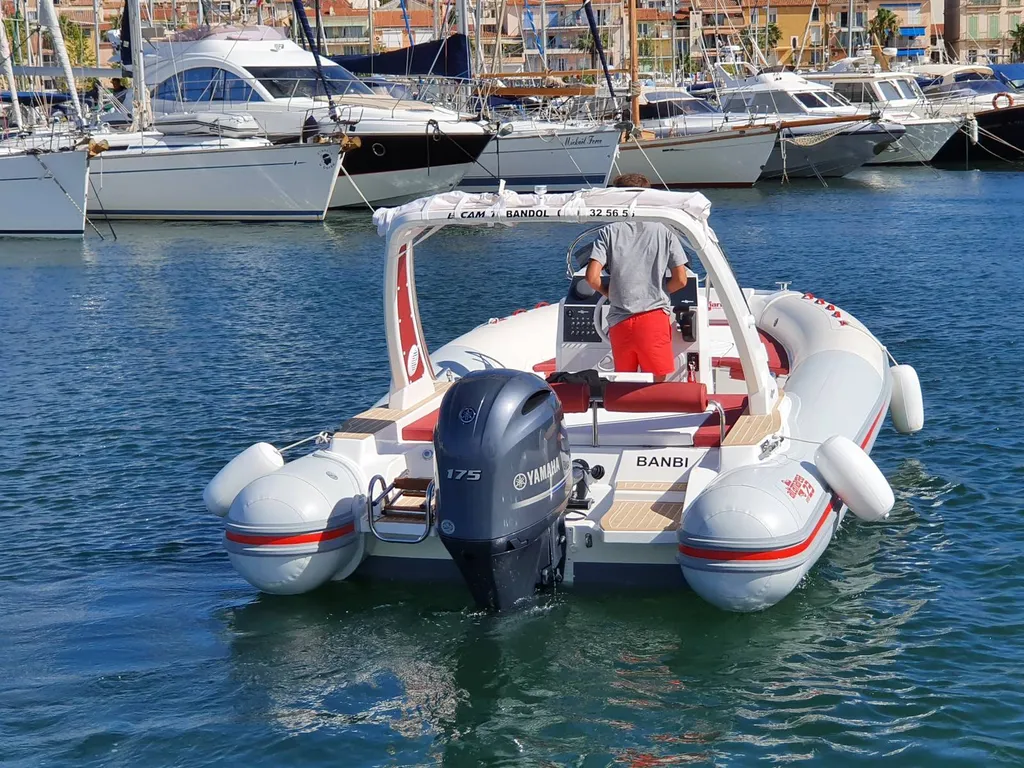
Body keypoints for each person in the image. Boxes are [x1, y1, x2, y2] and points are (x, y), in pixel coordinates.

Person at [584, 173, 688, 382]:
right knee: (657, 384)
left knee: (626, 382)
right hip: (654, 318)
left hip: (620, 321)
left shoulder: (608, 232)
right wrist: (660, 291)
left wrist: (611, 293)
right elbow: (681, 279)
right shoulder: (665, 230)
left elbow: (592, 278)